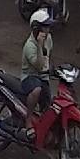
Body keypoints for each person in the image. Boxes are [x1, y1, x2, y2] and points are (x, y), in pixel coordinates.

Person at [20, 9, 54, 141]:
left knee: (49, 105)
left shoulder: (49, 38)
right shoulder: (30, 46)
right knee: (37, 90)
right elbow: (39, 65)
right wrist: (40, 45)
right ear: (37, 28)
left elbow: (48, 57)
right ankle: (28, 120)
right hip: (29, 76)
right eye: (45, 26)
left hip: (43, 77)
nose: (48, 29)